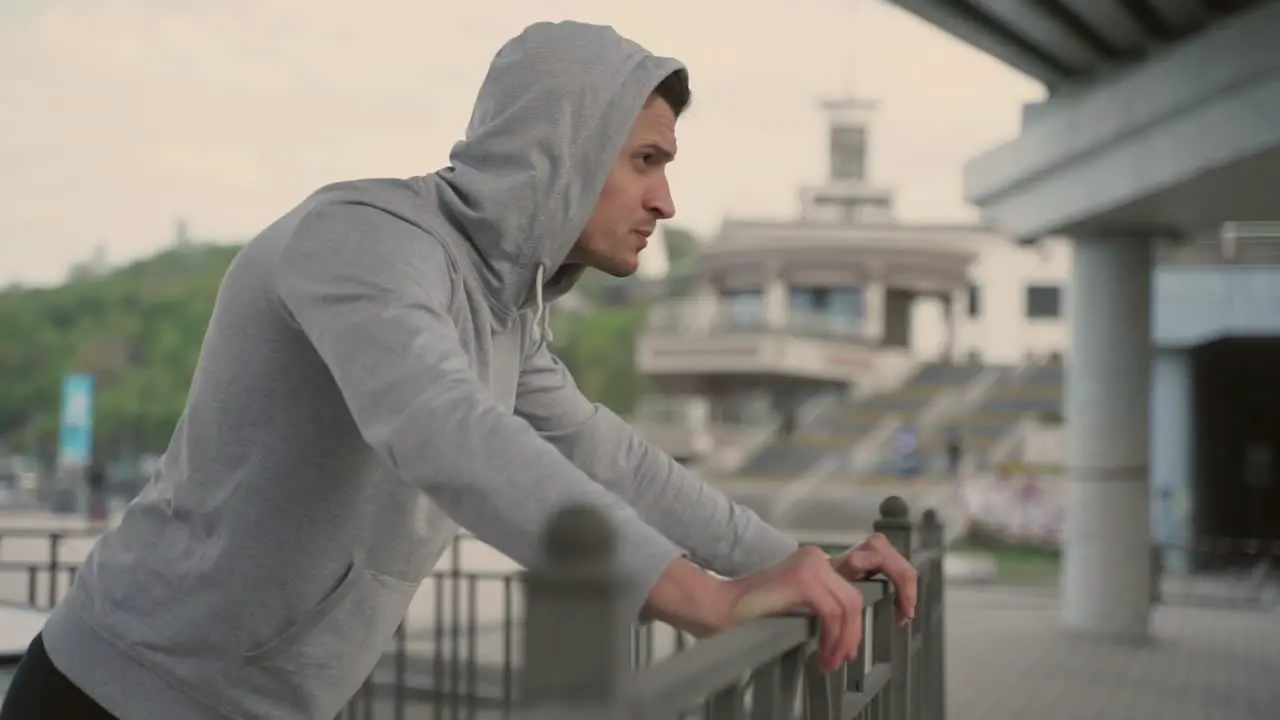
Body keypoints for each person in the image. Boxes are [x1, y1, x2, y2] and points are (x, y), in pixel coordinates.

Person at [0, 21, 917, 720]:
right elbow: (447, 434)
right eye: (644, 161)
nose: (665, 201)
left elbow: (615, 460)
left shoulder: (502, 311)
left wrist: (790, 563)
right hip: (113, 695)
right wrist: (702, 599)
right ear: (559, 149)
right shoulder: (362, 239)